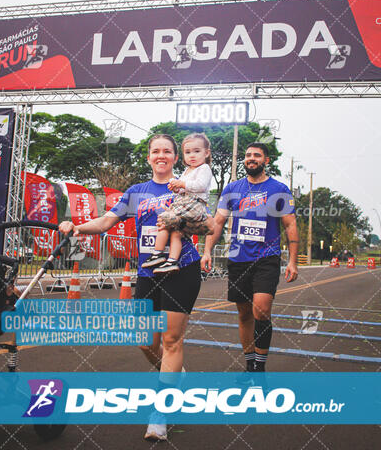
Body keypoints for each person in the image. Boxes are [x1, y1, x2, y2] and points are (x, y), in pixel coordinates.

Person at [59, 134, 201, 442]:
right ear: (149, 157)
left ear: (175, 158)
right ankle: (177, 375)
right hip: (149, 273)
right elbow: (106, 221)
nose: (161, 155)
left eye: (167, 151)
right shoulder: (137, 192)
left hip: (181, 269)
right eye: (155, 151)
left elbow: (204, 222)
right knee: (144, 341)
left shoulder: (185, 186)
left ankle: (161, 412)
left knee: (172, 340)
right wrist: (76, 226)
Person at [201, 142, 299, 373]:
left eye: (256, 155)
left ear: (266, 160)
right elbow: (218, 222)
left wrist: (293, 260)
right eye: (247, 155)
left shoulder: (279, 189)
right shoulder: (232, 189)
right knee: (244, 313)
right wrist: (206, 251)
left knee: (261, 309)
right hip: (238, 258)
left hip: (267, 258)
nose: (251, 158)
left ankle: (260, 368)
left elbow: (290, 225)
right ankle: (249, 363)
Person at [142, 132, 214, 274]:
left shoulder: (204, 168)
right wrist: (176, 189)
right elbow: (185, 189)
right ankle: (171, 261)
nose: (192, 155)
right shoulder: (188, 170)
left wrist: (181, 184)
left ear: (206, 153)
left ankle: (157, 253)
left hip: (194, 204)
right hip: (185, 202)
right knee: (175, 232)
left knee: (164, 220)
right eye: (187, 152)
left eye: (197, 151)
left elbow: (200, 186)